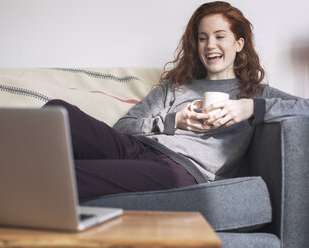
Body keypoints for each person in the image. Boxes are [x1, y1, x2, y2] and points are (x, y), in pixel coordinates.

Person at [44, 1, 309, 202]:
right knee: (59, 111)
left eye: (219, 36)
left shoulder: (255, 92)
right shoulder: (175, 86)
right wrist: (173, 121)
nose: (209, 45)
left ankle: (11, 180)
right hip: (140, 148)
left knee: (65, 172)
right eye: (202, 38)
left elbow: (305, 107)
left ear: (239, 43)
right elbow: (123, 127)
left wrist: (250, 108)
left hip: (182, 169)